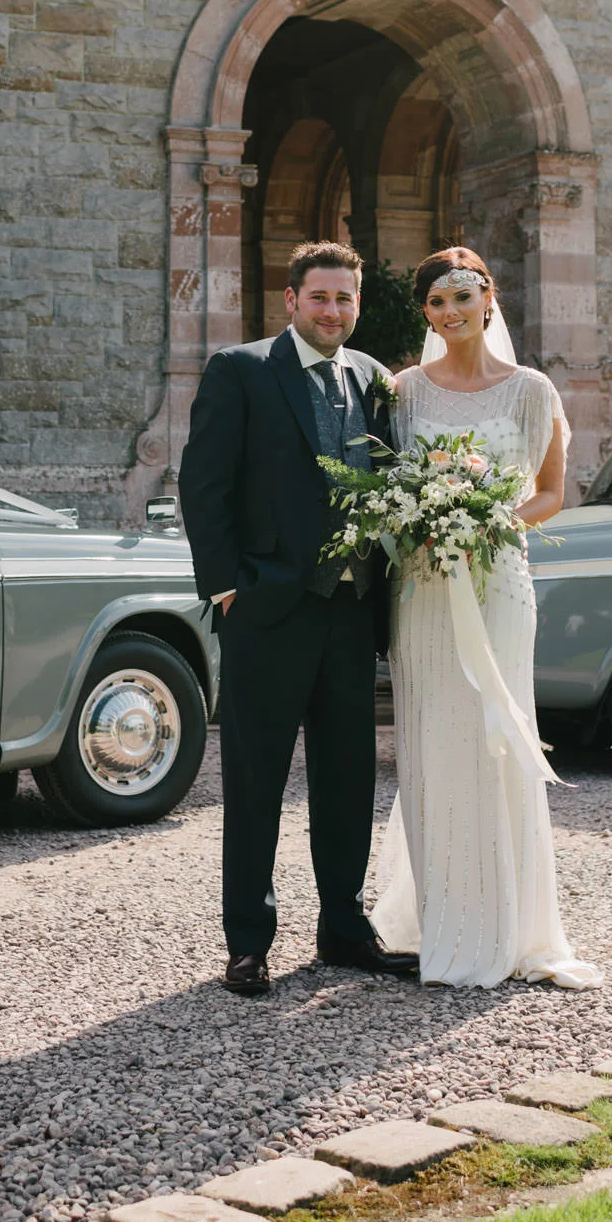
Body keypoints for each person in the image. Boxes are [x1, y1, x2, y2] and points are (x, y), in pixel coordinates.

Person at [178, 241, 420, 997]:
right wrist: (227, 590)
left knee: (347, 781)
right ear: (291, 300)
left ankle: (343, 928)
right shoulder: (241, 370)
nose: (333, 311)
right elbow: (204, 485)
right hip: (267, 611)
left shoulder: (373, 379)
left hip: (352, 612)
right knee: (255, 783)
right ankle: (248, 943)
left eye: (345, 298)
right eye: (320, 297)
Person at [371, 245, 604, 990]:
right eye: (437, 302)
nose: (451, 312)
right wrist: (425, 523)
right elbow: (386, 484)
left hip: (498, 580)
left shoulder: (531, 389)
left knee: (495, 735)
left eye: (461, 296)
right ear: (427, 313)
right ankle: (443, 917)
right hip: (423, 588)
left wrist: (487, 523)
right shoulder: (404, 391)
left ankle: (510, 924)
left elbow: (551, 492)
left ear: (487, 298)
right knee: (434, 738)